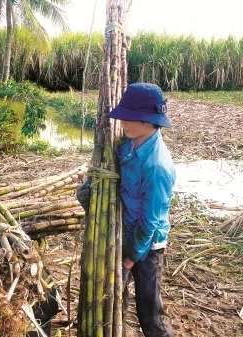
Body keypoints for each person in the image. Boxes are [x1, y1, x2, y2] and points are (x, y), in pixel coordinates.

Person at [77, 82, 176, 336]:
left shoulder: (157, 167)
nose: (124, 122)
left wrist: (131, 257)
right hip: (121, 230)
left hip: (146, 245)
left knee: (149, 312)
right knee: (113, 294)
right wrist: (89, 190)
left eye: (130, 118)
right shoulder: (125, 145)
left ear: (149, 121)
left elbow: (150, 222)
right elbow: (110, 175)